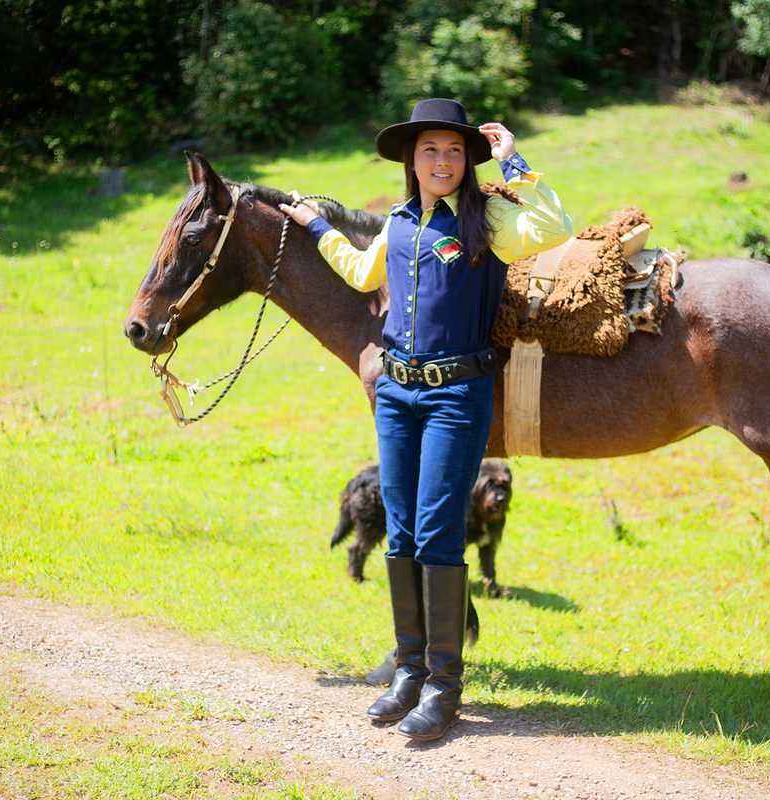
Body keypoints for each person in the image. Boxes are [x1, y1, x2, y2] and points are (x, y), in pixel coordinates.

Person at [280, 98, 572, 741]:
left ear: (467, 159)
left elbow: (554, 228)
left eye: (454, 151)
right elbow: (360, 273)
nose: (442, 161)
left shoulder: (486, 217)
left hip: (455, 396)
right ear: (411, 160)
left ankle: (444, 688)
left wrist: (514, 162)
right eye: (429, 150)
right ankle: (409, 670)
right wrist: (313, 226)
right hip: (397, 394)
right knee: (404, 530)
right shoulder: (399, 222)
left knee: (440, 531)